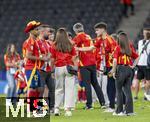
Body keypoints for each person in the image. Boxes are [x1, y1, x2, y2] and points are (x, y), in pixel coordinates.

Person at [73, 23, 105, 110]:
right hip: (92, 63)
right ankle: (103, 103)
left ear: (75, 30)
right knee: (95, 83)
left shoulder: (78, 37)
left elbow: (72, 46)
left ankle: (89, 105)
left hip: (84, 64)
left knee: (87, 84)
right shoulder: (88, 36)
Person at [110, 32, 139, 116]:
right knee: (128, 91)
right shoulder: (129, 47)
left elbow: (115, 60)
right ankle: (129, 111)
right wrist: (133, 65)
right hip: (129, 70)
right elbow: (137, 56)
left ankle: (119, 111)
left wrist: (114, 71)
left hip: (121, 69)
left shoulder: (117, 48)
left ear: (119, 40)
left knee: (118, 91)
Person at [51, 28, 77, 116]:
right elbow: (74, 57)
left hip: (58, 67)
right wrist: (75, 68)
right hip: (69, 67)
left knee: (58, 89)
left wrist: (51, 70)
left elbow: (52, 59)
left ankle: (57, 108)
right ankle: (68, 109)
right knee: (69, 88)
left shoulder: (54, 45)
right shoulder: (71, 43)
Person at [136, 27, 150, 101]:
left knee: (138, 80)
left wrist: (136, 62)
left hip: (140, 63)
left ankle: (135, 96)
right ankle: (146, 96)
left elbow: (137, 52)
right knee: (148, 80)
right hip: (147, 64)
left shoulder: (139, 42)